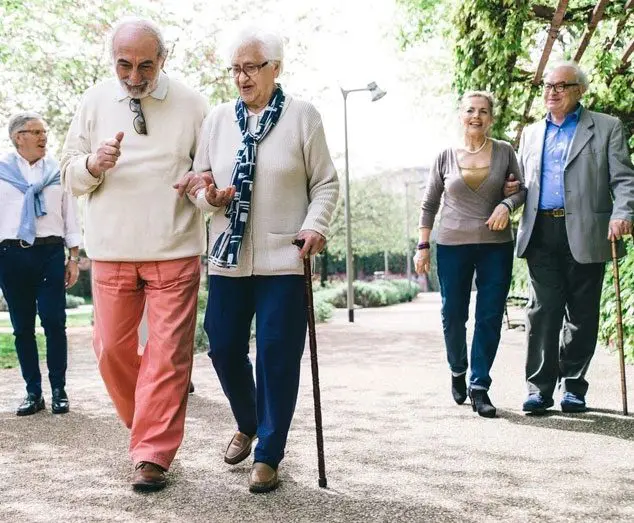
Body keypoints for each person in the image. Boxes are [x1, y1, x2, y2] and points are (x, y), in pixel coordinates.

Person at [176, 26, 339, 493]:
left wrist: (315, 226)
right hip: (229, 257)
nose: (242, 78)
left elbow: (325, 183)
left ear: (276, 68)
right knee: (223, 343)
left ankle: (268, 452)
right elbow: (203, 188)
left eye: (252, 67)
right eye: (236, 69)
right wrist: (211, 195)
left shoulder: (303, 117)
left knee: (276, 354)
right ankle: (248, 421)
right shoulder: (219, 120)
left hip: (283, 257)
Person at [60, 17, 209, 491]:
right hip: (112, 249)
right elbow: (68, 174)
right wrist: (92, 164)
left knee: (168, 356)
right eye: (124, 65)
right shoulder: (94, 100)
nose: (135, 76)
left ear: (163, 60)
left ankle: (152, 453)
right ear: (113, 61)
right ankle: (148, 425)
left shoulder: (192, 104)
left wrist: (202, 187)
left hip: (173, 247)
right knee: (109, 350)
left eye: (146, 65)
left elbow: (207, 174)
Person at [508, 61, 634, 414]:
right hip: (541, 229)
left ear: (580, 90)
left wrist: (622, 213)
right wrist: (508, 195)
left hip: (588, 230)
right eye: (548, 86)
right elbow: (522, 183)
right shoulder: (531, 134)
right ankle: (538, 388)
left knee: (582, 313)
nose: (552, 92)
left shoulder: (606, 127)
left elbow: (623, 179)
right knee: (542, 310)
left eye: (561, 86)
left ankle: (574, 387)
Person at [414, 91, 526, 418]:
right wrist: (423, 246)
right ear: (461, 115)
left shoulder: (505, 151)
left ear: (491, 117)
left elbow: (520, 190)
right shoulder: (445, 156)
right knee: (453, 315)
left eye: (483, 111)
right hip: (451, 244)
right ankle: (457, 368)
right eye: (470, 111)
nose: (476, 116)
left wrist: (506, 204)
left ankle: (480, 386)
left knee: (489, 316)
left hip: (495, 245)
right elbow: (429, 203)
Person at [0, 112, 81, 416]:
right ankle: (33, 392)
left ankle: (59, 389)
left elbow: (70, 214)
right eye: (35, 131)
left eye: (44, 131)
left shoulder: (58, 171)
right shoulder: (2, 172)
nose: (43, 136)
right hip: (10, 255)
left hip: (49, 254)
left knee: (54, 322)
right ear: (18, 137)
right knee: (22, 328)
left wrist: (73, 257)